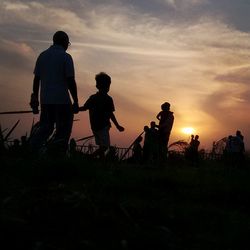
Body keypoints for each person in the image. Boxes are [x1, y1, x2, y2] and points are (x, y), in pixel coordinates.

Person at [29, 31, 79, 155]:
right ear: (65, 42)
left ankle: (32, 150)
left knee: (46, 127)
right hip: (62, 100)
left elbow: (37, 79)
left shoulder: (42, 55)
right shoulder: (66, 57)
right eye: (68, 43)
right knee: (63, 130)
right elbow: (70, 80)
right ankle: (56, 155)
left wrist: (35, 97)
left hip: (46, 100)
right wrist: (76, 101)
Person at [79, 72, 124, 159]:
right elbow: (111, 114)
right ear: (108, 87)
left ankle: (101, 162)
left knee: (101, 146)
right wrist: (117, 126)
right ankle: (90, 158)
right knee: (105, 147)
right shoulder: (108, 99)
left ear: (97, 85)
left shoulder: (93, 98)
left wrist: (75, 110)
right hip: (103, 126)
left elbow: (84, 108)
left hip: (94, 126)